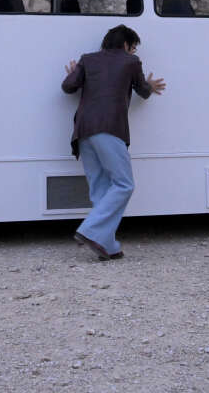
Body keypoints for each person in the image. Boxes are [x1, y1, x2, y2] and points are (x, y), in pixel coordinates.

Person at [61, 24, 165, 261]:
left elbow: (68, 87)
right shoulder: (131, 62)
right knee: (123, 184)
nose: (133, 51)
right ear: (126, 44)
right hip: (109, 128)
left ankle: (107, 245)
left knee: (101, 188)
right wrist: (149, 85)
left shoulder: (87, 59)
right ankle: (89, 230)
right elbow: (143, 91)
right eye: (133, 47)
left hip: (83, 130)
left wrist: (71, 74)